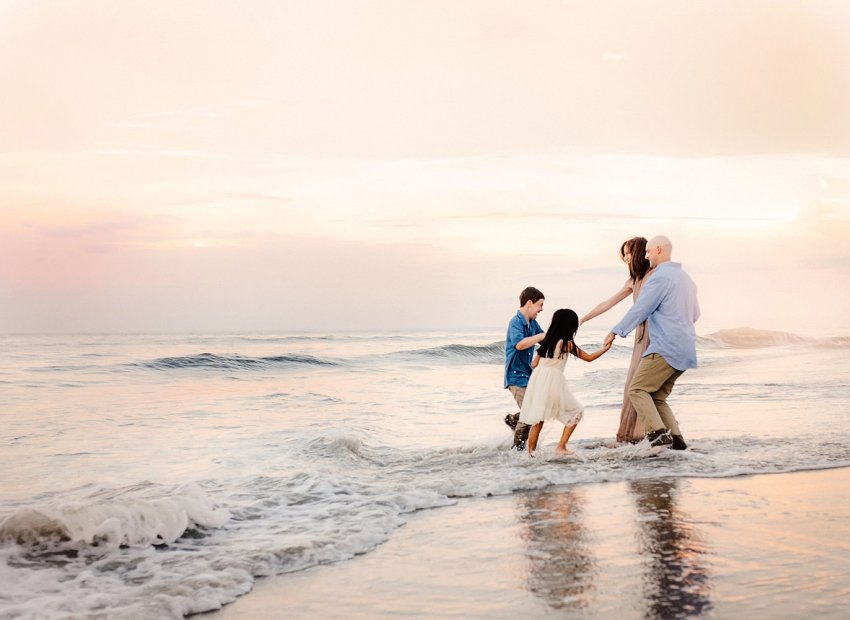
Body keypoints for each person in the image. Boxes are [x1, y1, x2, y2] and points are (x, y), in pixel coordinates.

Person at [603, 236, 699, 450]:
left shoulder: (660, 277)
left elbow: (641, 309)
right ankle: (677, 443)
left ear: (658, 250)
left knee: (636, 389)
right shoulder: (686, 279)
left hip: (665, 347)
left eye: (648, 252)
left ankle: (658, 436)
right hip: (686, 349)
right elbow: (695, 314)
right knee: (657, 397)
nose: (646, 256)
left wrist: (616, 331)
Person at [579, 237, 654, 443]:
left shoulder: (653, 276)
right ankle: (631, 436)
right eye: (625, 254)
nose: (626, 258)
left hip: (653, 335)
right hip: (640, 335)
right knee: (631, 386)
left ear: (639, 253)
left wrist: (615, 331)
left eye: (629, 253)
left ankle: (643, 435)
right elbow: (607, 303)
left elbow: (641, 309)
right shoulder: (633, 281)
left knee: (639, 386)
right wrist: (584, 318)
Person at [520, 309, 612, 456]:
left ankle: (531, 454)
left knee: (539, 419)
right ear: (569, 326)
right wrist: (605, 349)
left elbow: (534, 364)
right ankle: (561, 447)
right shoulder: (565, 344)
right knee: (577, 412)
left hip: (538, 381)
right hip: (553, 381)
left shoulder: (546, 342)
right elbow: (589, 358)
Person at [503, 286, 546, 450]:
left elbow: (545, 339)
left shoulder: (533, 323)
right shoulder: (515, 322)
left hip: (528, 375)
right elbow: (520, 344)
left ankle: (515, 420)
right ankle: (516, 453)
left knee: (538, 408)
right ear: (529, 303)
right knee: (531, 415)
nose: (541, 309)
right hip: (515, 376)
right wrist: (541, 336)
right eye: (540, 305)